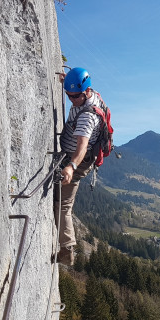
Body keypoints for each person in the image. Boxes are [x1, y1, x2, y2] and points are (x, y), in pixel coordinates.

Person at [54, 67, 106, 265]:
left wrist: (71, 167)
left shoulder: (87, 117)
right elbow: (76, 85)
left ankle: (66, 250)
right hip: (74, 158)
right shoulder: (90, 94)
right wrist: (67, 82)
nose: (71, 99)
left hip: (78, 161)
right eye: (68, 95)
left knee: (63, 206)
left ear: (86, 92)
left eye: (75, 96)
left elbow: (82, 146)